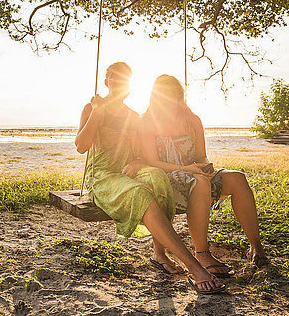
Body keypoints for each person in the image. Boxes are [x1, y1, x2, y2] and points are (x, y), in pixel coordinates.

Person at [75, 62, 226, 294]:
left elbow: (139, 151)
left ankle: (159, 252)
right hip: (104, 176)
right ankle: (194, 267)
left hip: (127, 169)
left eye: (124, 78)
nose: (118, 81)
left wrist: (138, 162)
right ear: (106, 81)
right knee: (140, 193)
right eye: (113, 77)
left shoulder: (134, 117)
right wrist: (97, 113)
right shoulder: (93, 108)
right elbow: (81, 147)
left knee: (156, 176)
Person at [139, 74, 269, 276]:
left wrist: (208, 168)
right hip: (168, 177)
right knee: (199, 182)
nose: (168, 99)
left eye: (173, 94)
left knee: (237, 178)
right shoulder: (148, 121)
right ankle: (202, 253)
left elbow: (202, 156)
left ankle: (256, 246)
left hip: (196, 173)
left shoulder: (191, 120)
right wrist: (188, 170)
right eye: (163, 95)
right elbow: (152, 162)